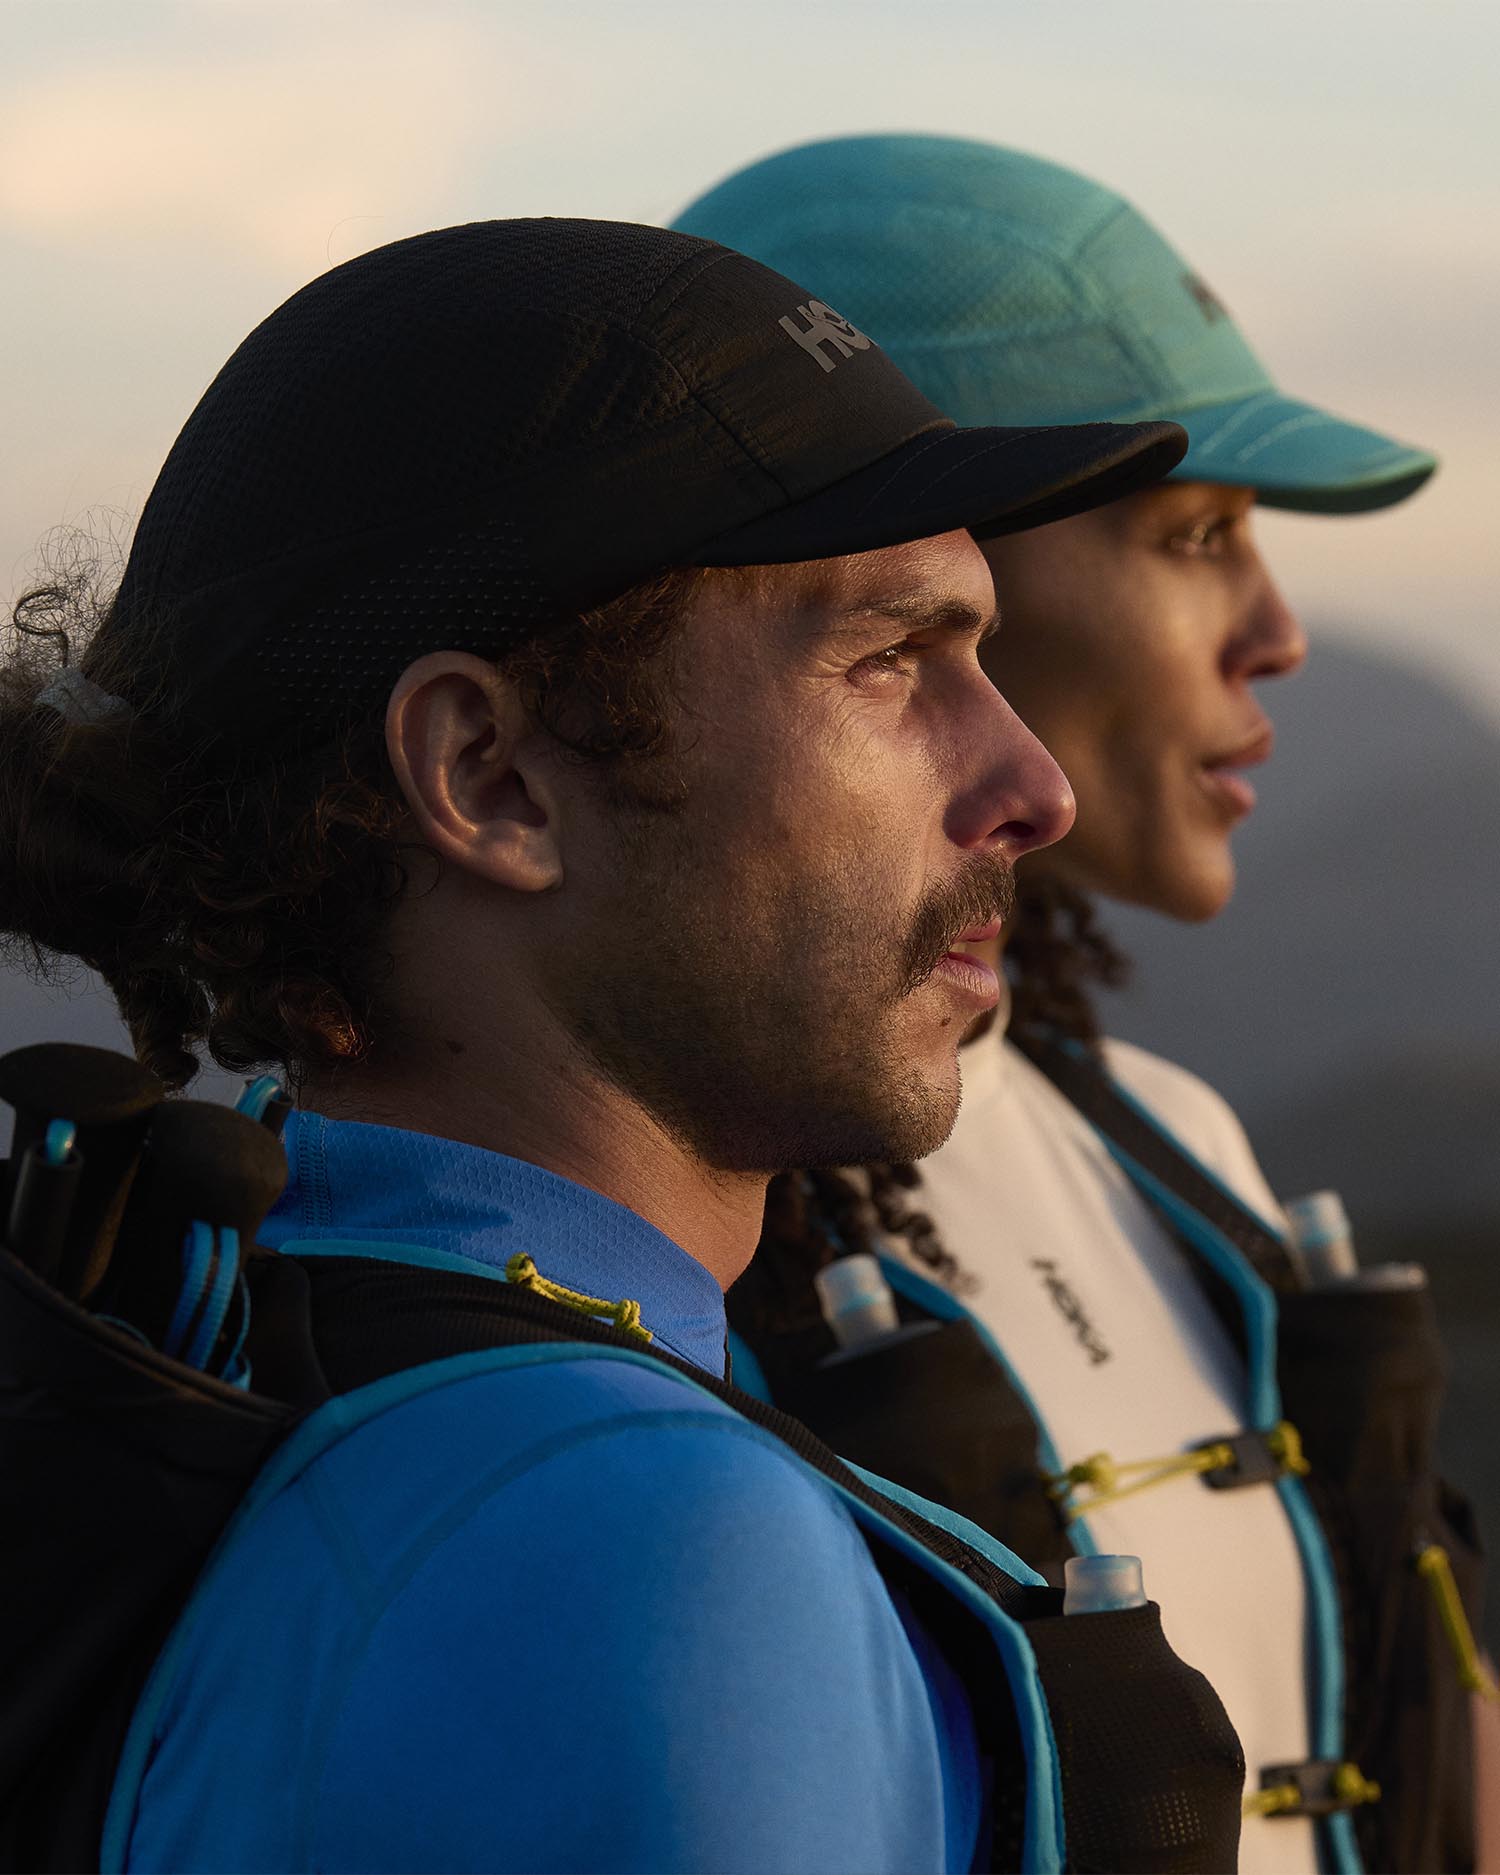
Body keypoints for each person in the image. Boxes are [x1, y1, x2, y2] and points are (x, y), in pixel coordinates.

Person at [0, 218, 1243, 1873]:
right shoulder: (630, 1525)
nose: (1035, 787)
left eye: (984, 659)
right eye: (890, 661)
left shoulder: (228, 1363)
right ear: (492, 779)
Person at [676, 134, 1495, 1875]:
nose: (1277, 629)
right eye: (1198, 535)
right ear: (927, 566)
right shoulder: (650, 1227)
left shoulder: (1176, 1144)